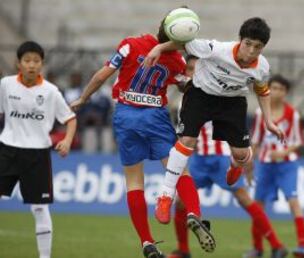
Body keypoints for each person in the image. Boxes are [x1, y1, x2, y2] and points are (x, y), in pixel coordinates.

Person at [70, 10, 215, 258]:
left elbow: (103, 74)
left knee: (134, 181)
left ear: (162, 25)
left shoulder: (130, 44)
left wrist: (83, 98)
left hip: (125, 116)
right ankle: (193, 212)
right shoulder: (176, 62)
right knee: (179, 169)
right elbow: (185, 85)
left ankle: (147, 242)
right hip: (155, 117)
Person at [144, 17, 285, 227]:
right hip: (200, 95)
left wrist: (268, 120)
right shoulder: (216, 49)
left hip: (232, 103)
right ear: (240, 40)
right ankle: (165, 195)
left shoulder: (262, 67)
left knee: (241, 155)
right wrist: (159, 48)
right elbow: (184, 43)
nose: (251, 51)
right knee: (187, 141)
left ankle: (235, 164)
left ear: (263, 48)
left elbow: (261, 89)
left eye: (258, 47)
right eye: (248, 44)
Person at [167, 56, 287, 258]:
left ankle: (276, 245)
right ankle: (183, 250)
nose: (192, 73)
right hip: (198, 160)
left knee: (244, 199)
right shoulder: (183, 101)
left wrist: (239, 156)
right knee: (180, 202)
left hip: (220, 158)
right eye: (189, 69)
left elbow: (232, 125)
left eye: (196, 69)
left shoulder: (215, 91)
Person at [0, 41, 77, 258]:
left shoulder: (51, 91)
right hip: (7, 150)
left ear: (42, 64)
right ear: (18, 63)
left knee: (40, 208)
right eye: (27, 61)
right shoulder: (5, 84)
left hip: (37, 154)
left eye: (36, 61)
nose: (31, 65)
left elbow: (70, 118)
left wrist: (68, 141)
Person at [251, 75, 304, 258]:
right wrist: (248, 161)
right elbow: (255, 140)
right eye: (273, 88)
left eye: (280, 89)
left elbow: (299, 141)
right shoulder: (261, 113)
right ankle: (257, 248)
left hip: (287, 165)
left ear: (286, 93)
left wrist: (284, 152)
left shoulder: (293, 114)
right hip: (264, 165)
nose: (276, 92)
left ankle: (303, 247)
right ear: (268, 89)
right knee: (258, 206)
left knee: (293, 202)